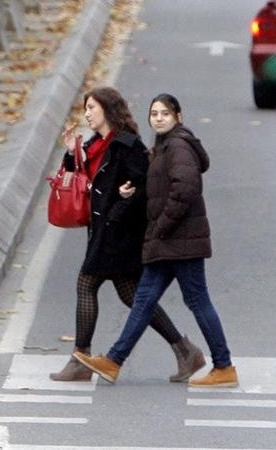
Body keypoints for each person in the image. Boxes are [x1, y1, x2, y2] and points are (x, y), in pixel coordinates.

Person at [74, 93, 237, 387]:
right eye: (154, 114)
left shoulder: (178, 146)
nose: (158, 118)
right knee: (143, 301)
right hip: (167, 241)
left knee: (197, 301)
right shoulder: (163, 147)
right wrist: (129, 194)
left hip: (180, 241)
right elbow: (154, 187)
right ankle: (113, 361)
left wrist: (161, 226)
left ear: (178, 116)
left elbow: (183, 190)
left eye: (165, 113)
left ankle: (223, 366)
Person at [49, 86, 205, 383]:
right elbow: (87, 182)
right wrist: (72, 155)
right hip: (104, 232)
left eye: (92, 108)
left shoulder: (127, 145)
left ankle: (80, 357)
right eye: (86, 109)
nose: (87, 114)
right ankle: (185, 350)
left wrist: (119, 208)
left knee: (86, 284)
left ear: (107, 110)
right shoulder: (96, 144)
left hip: (118, 234)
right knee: (132, 295)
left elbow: (148, 185)